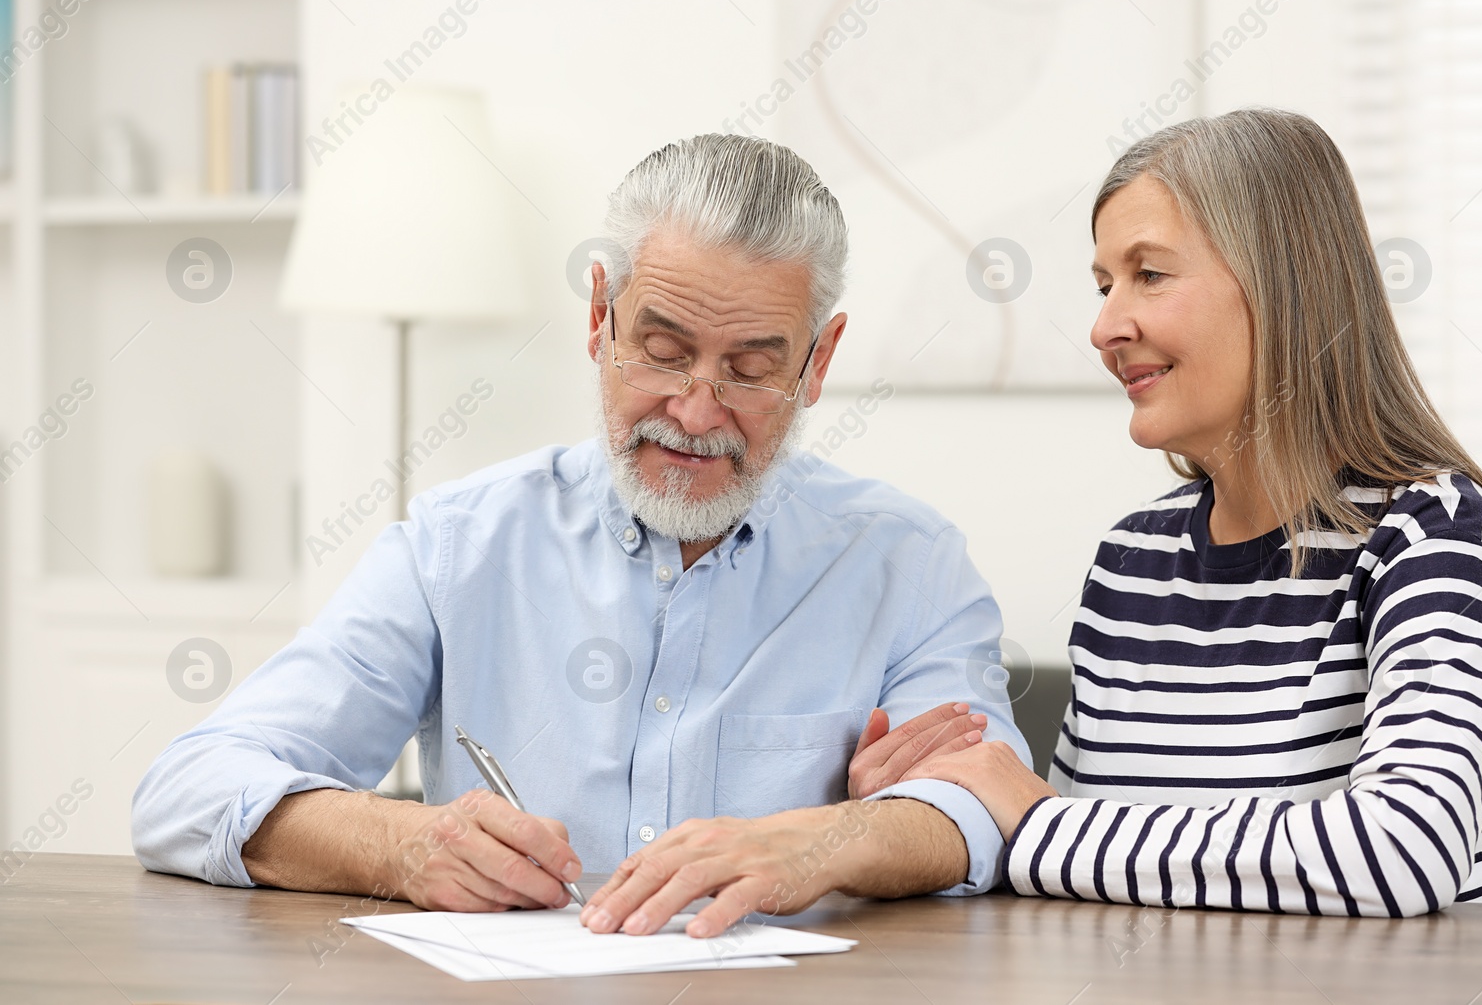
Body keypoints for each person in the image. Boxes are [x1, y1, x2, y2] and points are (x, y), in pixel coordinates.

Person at [132, 134, 1029, 938]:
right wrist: (397, 842)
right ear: (599, 315)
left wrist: (834, 840)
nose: (695, 409)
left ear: (817, 364)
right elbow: (186, 791)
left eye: (751, 369)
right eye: (664, 351)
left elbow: (992, 806)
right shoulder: (459, 546)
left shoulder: (909, 563)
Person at [866, 108, 1482, 916]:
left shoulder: (1431, 533)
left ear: (1284, 286)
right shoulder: (1132, 559)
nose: (1107, 325)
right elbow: (1085, 873)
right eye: (1104, 284)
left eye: (1150, 274)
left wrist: (1036, 821)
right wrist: (915, 810)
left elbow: (1403, 851)